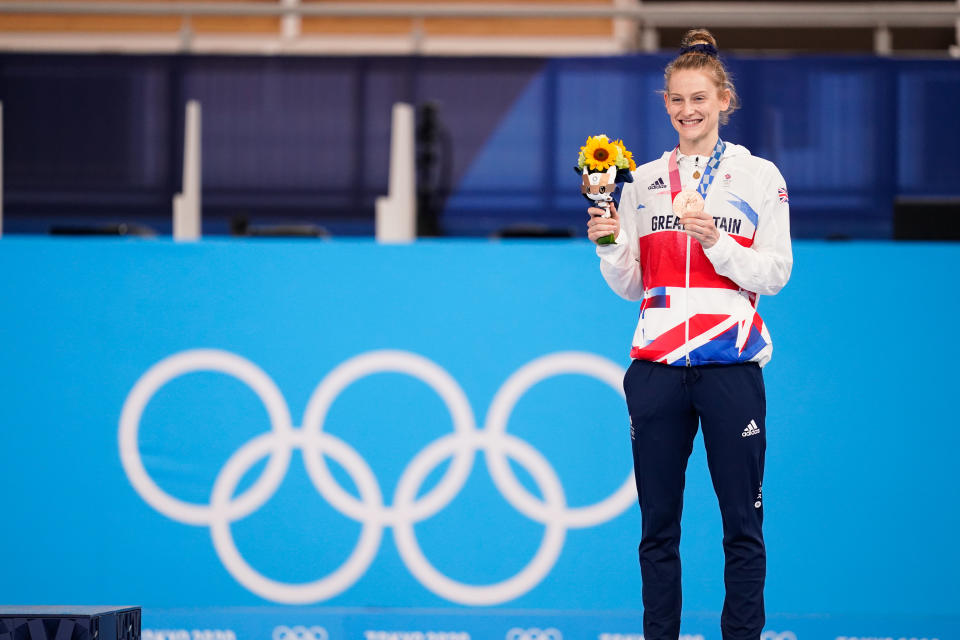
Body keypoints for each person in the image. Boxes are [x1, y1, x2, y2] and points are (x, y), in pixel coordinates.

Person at [586, 29, 793, 640]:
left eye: (699, 98)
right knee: (657, 529)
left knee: (742, 527)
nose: (687, 110)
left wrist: (716, 242)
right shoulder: (643, 180)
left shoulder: (759, 176)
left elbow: (776, 273)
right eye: (676, 100)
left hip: (730, 368)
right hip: (655, 370)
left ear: (724, 98)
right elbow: (630, 284)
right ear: (666, 104)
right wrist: (607, 241)